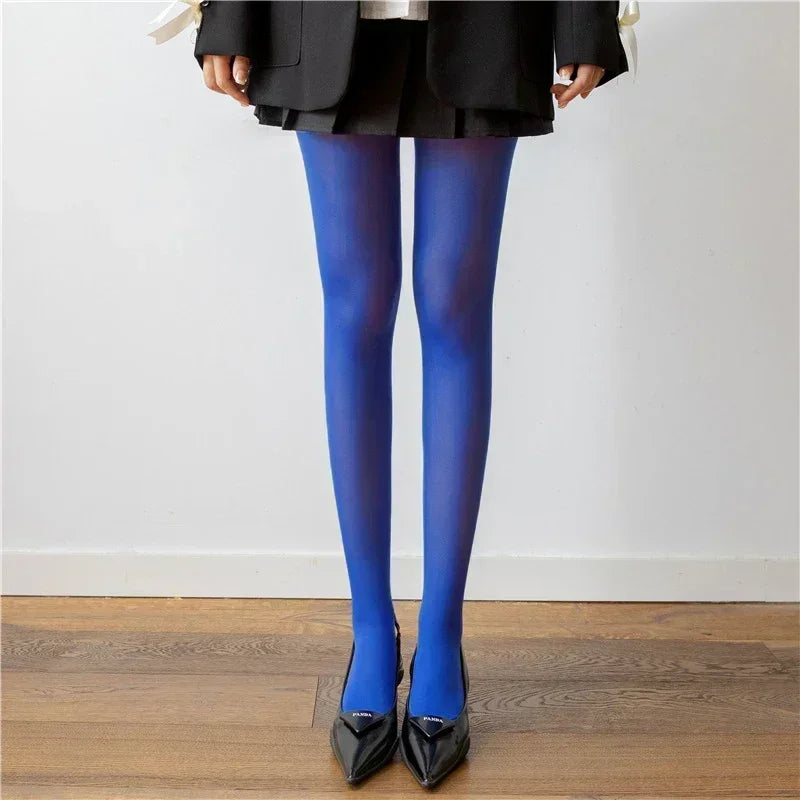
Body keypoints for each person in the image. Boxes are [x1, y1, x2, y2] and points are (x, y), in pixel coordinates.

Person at [153, 0, 631, 789]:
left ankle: (442, 637)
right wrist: (230, 14)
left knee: (454, 308)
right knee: (356, 309)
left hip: (489, 22)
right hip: (322, 22)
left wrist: (584, 17)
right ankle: (372, 632)